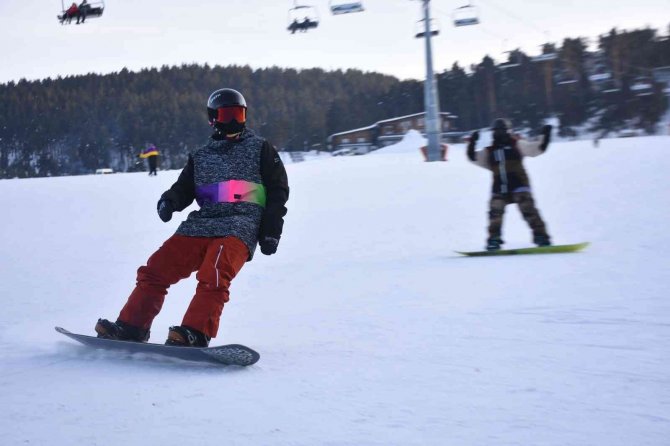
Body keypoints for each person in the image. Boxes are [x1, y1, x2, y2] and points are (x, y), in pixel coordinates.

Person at [95, 88, 289, 347]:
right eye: (227, 115)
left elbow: (278, 191)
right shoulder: (201, 155)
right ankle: (131, 327)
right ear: (213, 118)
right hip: (201, 224)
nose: (233, 122)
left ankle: (195, 332)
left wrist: (271, 232)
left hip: (240, 225)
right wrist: (169, 201)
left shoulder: (260, 149)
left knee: (215, 274)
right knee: (155, 269)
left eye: (239, 115)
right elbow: (184, 188)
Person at [467, 118, 552, 251]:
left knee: (528, 209)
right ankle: (494, 239)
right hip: (500, 187)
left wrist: (546, 136)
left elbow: (537, 149)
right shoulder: (490, 151)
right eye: (496, 131)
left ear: (508, 131)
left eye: (501, 131)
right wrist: (472, 142)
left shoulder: (517, 145)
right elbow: (473, 158)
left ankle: (541, 236)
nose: (498, 134)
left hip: (519, 184)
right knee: (495, 212)